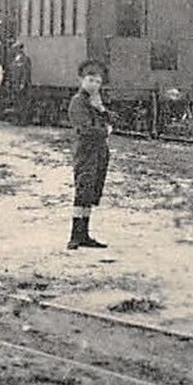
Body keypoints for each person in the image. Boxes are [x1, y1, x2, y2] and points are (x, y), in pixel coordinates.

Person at [66, 59, 112, 250]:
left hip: (98, 152)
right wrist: (105, 131)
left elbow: (111, 119)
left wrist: (101, 110)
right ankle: (75, 236)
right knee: (83, 190)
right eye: (91, 80)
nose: (94, 85)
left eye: (98, 82)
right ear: (82, 80)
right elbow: (85, 129)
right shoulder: (78, 102)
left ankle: (84, 234)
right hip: (85, 152)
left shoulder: (94, 102)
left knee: (91, 192)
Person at [6, 42, 32, 125]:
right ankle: (17, 120)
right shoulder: (14, 60)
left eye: (18, 49)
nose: (17, 50)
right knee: (16, 102)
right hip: (15, 84)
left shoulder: (25, 59)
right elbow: (11, 72)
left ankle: (23, 121)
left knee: (22, 103)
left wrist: (22, 83)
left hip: (21, 85)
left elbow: (26, 72)